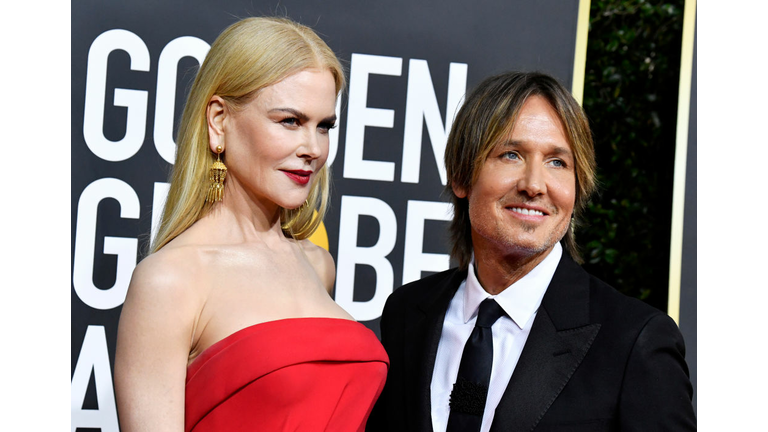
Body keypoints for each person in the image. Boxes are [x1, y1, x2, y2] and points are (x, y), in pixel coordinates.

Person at [367, 71, 695, 431]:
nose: (534, 185)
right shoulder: (407, 313)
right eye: (511, 155)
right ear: (460, 176)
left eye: (558, 162)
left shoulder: (634, 341)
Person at [114, 17, 388, 432]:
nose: (312, 148)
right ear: (219, 120)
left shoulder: (317, 266)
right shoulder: (170, 281)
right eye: (289, 121)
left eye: (324, 126)